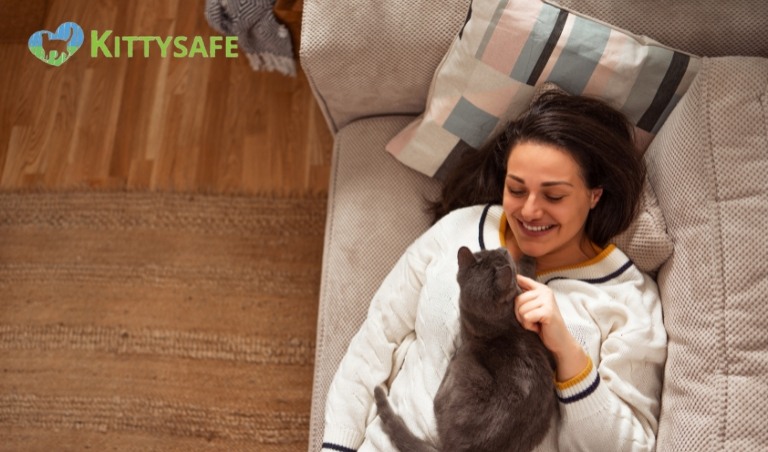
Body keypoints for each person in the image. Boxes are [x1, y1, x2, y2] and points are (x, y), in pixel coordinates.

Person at [321, 91, 667, 451]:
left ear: (594, 195)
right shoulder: (460, 230)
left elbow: (631, 446)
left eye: (553, 196)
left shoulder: (627, 298)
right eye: (517, 189)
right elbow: (379, 335)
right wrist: (337, 445)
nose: (530, 211)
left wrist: (569, 355)